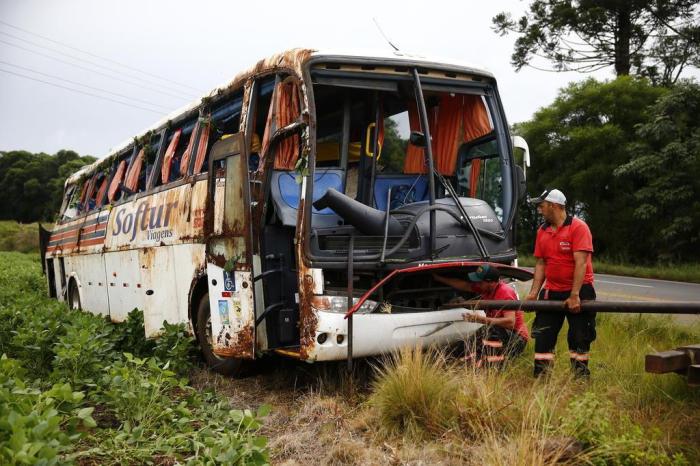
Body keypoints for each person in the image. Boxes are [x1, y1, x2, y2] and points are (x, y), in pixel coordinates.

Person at [526, 188, 596, 378]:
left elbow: (581, 263)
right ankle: (541, 380)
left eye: (542, 206)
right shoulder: (542, 230)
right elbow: (541, 263)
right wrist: (533, 293)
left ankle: (580, 381)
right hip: (552, 291)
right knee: (543, 337)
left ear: (554, 206)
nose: (539, 210)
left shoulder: (578, 227)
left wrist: (574, 295)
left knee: (579, 338)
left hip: (580, 291)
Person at [433, 264, 530, 368]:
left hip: (517, 339)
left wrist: (481, 320)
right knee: (472, 341)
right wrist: (438, 278)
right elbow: (465, 285)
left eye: (479, 282)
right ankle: (450, 360)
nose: (476, 284)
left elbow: (510, 323)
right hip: (499, 332)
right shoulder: (485, 288)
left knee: (490, 331)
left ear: (491, 283)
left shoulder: (505, 293)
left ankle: (494, 366)